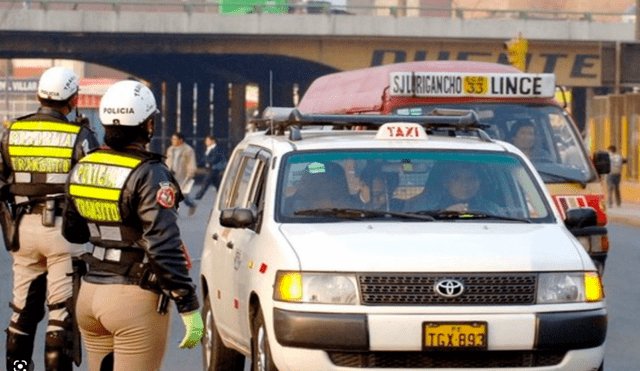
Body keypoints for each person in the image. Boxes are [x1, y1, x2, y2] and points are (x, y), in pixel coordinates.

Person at [61, 80, 203, 371]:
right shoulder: (151, 173)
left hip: (89, 295)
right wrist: (188, 305)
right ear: (147, 125)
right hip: (133, 299)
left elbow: (72, 232)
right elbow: (163, 246)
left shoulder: (84, 166)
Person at [0, 66, 100, 371]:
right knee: (60, 314)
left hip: (22, 230)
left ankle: (17, 369)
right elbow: (93, 185)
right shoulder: (80, 136)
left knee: (22, 313)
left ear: (38, 96)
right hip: (62, 232)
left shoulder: (11, 132)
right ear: (71, 101)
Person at [165, 133, 198, 215]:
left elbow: (191, 163)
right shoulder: (170, 149)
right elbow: (167, 161)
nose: (172, 141)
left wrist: (190, 174)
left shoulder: (188, 150)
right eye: (172, 139)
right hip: (172, 175)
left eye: (174, 139)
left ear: (180, 140)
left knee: (183, 196)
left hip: (183, 176)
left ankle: (192, 204)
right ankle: (173, 212)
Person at [194, 135, 226, 200]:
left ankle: (199, 195)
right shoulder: (208, 149)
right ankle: (222, 195)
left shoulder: (217, 148)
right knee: (217, 184)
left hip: (215, 168)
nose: (206, 142)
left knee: (206, 181)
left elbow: (214, 159)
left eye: (208, 140)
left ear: (213, 141)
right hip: (210, 169)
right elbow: (204, 159)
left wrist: (206, 161)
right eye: (206, 141)